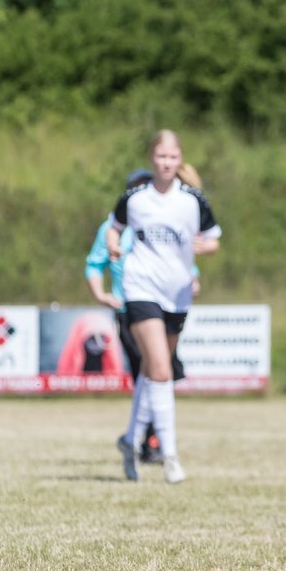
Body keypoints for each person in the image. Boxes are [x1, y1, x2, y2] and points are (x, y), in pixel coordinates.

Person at [109, 130, 222, 484]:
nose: (167, 163)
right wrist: (114, 247)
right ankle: (170, 455)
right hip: (140, 288)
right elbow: (114, 228)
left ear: (180, 159)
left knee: (152, 371)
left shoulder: (192, 200)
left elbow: (214, 238)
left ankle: (130, 439)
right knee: (161, 369)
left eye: (173, 157)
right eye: (160, 157)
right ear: (151, 158)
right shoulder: (135, 198)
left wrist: (202, 247)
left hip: (177, 293)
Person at [85, 168, 196, 464]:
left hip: (167, 304)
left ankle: (135, 439)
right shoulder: (112, 228)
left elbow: (182, 259)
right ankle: (153, 444)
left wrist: (193, 279)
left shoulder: (167, 219)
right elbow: (94, 263)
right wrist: (100, 294)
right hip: (130, 307)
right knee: (151, 371)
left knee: (160, 373)